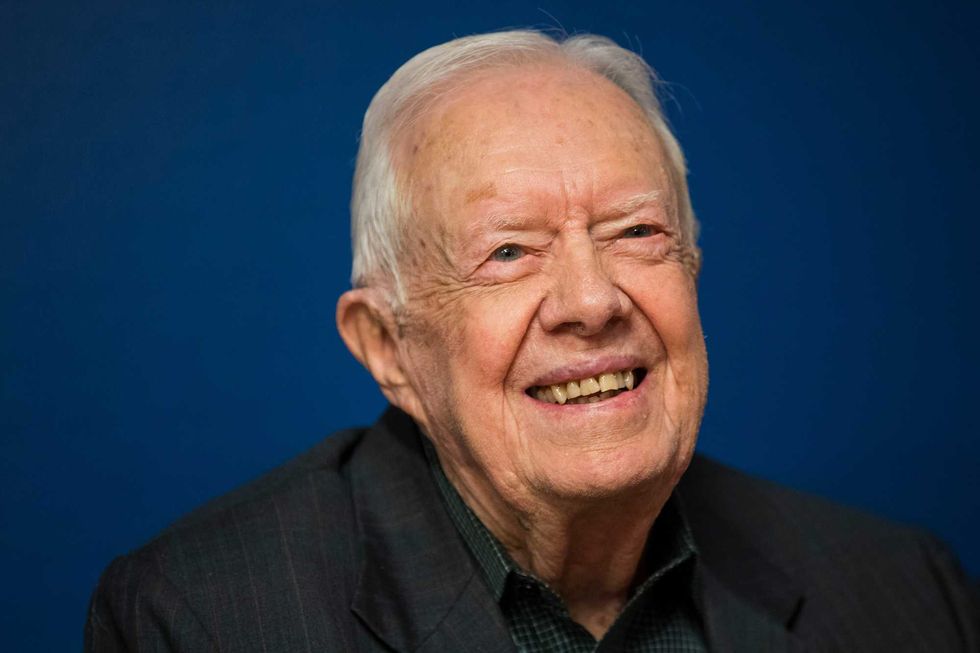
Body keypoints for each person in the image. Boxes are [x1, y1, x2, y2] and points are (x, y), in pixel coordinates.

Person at [85, 30, 978, 652]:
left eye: (636, 233)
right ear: (387, 347)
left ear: (693, 271)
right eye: (509, 251)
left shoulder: (904, 589)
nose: (591, 301)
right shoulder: (201, 618)